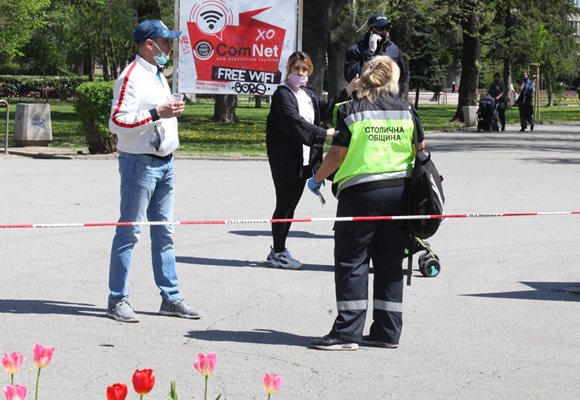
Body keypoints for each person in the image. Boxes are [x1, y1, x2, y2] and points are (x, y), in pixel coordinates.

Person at [308, 56, 425, 351]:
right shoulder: (407, 110)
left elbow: (337, 155)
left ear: (363, 78)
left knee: (352, 261)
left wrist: (317, 179)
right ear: (392, 79)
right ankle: (388, 331)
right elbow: (420, 150)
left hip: (361, 194)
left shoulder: (351, 110)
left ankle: (348, 332)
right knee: (389, 262)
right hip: (399, 195)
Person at [106, 19, 202, 323]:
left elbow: (156, 115)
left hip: (165, 162)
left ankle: (170, 297)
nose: (170, 48)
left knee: (165, 233)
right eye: (166, 42)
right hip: (139, 163)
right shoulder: (130, 76)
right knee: (129, 231)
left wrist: (169, 111)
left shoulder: (157, 75)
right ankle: (117, 299)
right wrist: (155, 113)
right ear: (150, 44)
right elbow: (116, 122)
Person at [266, 51, 357, 270]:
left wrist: (348, 90)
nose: (301, 73)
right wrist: (323, 134)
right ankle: (278, 252)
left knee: (291, 206)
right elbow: (292, 121)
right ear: (289, 69)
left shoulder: (308, 94)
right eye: (297, 68)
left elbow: (326, 109)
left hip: (307, 159)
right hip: (287, 160)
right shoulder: (282, 95)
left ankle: (279, 250)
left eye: (305, 69)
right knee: (285, 206)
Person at [344, 13, 409, 99]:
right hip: (364, 101)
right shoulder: (355, 50)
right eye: (381, 28)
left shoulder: (394, 49)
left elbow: (404, 75)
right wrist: (370, 52)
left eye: (387, 28)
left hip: (389, 101)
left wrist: (398, 96)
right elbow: (350, 76)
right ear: (370, 29)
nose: (385, 32)